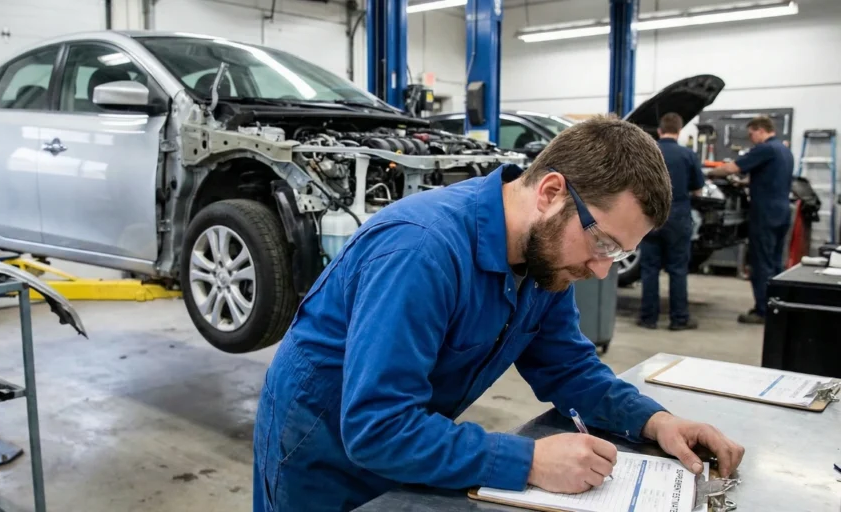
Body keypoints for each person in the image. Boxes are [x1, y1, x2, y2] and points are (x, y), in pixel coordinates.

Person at [252, 117, 746, 512]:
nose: (600, 270)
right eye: (602, 243)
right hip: (318, 452)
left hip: (404, 443)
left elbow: (570, 368)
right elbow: (378, 427)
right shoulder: (421, 251)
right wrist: (528, 459)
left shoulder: (543, 261)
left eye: (616, 255)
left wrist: (656, 422)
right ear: (552, 193)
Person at [707, 116, 794, 324]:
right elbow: (768, 177)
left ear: (760, 130)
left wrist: (710, 173)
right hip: (782, 212)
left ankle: (762, 311)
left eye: (751, 134)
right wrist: (745, 184)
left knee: (761, 263)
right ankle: (776, 306)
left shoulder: (765, 149)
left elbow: (732, 168)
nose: (751, 138)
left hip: (765, 214)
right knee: (774, 263)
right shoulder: (784, 151)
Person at [637, 113, 705, 331]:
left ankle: (648, 318)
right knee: (677, 269)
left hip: (651, 219)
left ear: (659, 130)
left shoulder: (648, 153)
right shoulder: (688, 155)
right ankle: (679, 319)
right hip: (678, 218)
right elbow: (698, 188)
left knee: (649, 269)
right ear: (679, 131)